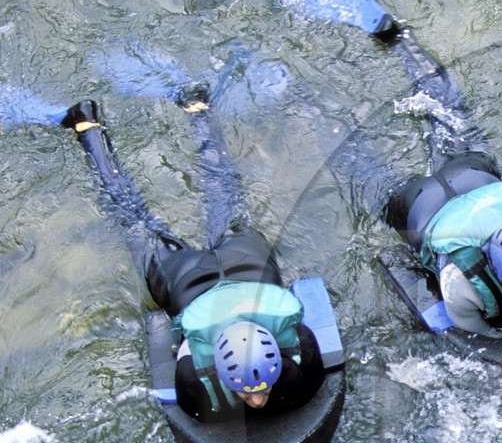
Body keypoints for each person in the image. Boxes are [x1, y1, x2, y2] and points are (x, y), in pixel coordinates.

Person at [60, 87, 325, 421]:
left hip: (243, 265)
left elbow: (306, 386)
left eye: (260, 389)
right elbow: (193, 406)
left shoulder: (300, 347)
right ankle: (176, 112)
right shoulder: (194, 372)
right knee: (140, 220)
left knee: (207, 201)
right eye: (248, 391)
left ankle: (95, 124)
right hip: (196, 278)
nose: (257, 402)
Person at [341, 23, 502, 339]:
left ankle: (402, 40)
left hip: (474, 176)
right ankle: (328, 112)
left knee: (448, 109)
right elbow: (471, 325)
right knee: (363, 173)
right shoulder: (460, 281)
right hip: (421, 206)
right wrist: (498, 335)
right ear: (496, 268)